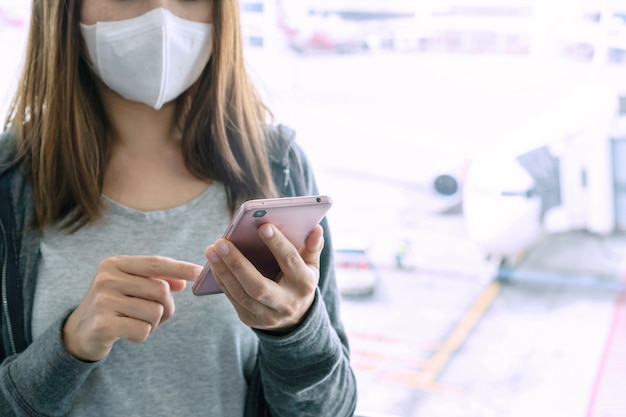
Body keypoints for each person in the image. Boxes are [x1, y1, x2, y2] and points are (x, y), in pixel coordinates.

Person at [0, 0, 357, 416]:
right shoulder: (10, 181)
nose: (161, 18)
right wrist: (68, 346)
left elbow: (333, 408)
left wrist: (295, 330)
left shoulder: (278, 166)